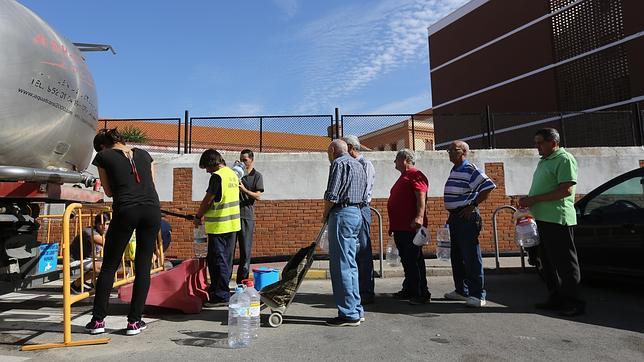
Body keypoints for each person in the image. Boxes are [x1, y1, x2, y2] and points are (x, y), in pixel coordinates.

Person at [86, 128, 161, 336]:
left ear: (102, 145)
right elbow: (152, 182)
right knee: (143, 265)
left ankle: (98, 321)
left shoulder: (103, 156)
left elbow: (109, 191)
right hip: (152, 209)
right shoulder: (145, 154)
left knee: (110, 265)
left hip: (126, 209)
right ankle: (134, 322)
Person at [519, 128, 585, 317]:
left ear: (553, 142)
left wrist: (534, 199)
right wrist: (529, 200)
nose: (537, 147)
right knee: (547, 263)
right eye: (535, 143)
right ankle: (556, 298)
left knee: (565, 263)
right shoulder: (544, 161)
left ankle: (574, 302)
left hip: (558, 219)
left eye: (540, 143)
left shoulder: (564, 159)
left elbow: (566, 191)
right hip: (542, 219)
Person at [443, 141, 496, 308]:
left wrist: (473, 205)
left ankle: (477, 294)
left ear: (464, 152)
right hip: (455, 217)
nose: (450, 152)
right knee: (457, 256)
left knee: (471, 256)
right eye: (449, 150)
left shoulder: (470, 169)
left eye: (454, 150)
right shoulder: (455, 169)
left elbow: (488, 186)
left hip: (466, 218)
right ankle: (461, 290)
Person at [322, 139, 367, 326]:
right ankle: (356, 308)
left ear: (333, 150)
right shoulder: (358, 165)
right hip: (357, 212)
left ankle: (348, 313)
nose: (328, 156)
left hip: (342, 213)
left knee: (341, 265)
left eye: (327, 152)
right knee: (350, 263)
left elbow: (332, 194)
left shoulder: (339, 163)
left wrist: (324, 215)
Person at [194, 149, 241, 307]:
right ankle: (219, 289)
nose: (207, 171)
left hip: (219, 226)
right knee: (225, 261)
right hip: (233, 225)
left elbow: (208, 200)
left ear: (211, 163)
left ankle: (220, 295)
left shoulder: (217, 177)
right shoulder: (232, 174)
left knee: (217, 261)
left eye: (206, 167)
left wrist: (198, 215)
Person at [387, 149, 431, 305]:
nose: (394, 162)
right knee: (407, 261)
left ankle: (421, 292)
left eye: (396, 159)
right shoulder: (404, 177)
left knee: (414, 261)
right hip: (401, 228)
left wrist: (419, 216)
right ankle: (410, 288)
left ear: (404, 159)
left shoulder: (415, 175)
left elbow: (421, 196)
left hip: (411, 227)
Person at [342, 135, 375, 304]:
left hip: (361, 209)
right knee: (353, 252)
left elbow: (365, 191)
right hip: (352, 210)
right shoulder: (348, 164)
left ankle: (367, 291)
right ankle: (357, 290)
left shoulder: (365, 164)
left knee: (363, 250)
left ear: (350, 147)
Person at [231, 149, 264, 284]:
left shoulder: (257, 176)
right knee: (230, 250)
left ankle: (241, 282)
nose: (243, 163)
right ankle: (225, 281)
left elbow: (258, 196)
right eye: (241, 160)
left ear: (251, 160)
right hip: (232, 215)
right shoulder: (236, 173)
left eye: (245, 160)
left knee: (245, 251)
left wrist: (244, 190)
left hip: (247, 216)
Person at [70, 212, 110, 294]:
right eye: (101, 224)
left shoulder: (104, 233)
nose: (104, 227)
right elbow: (106, 243)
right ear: (96, 224)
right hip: (76, 259)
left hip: (89, 259)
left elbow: (97, 252)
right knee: (103, 266)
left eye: (107, 224)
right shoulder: (89, 231)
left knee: (115, 263)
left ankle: (94, 283)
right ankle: (75, 284)